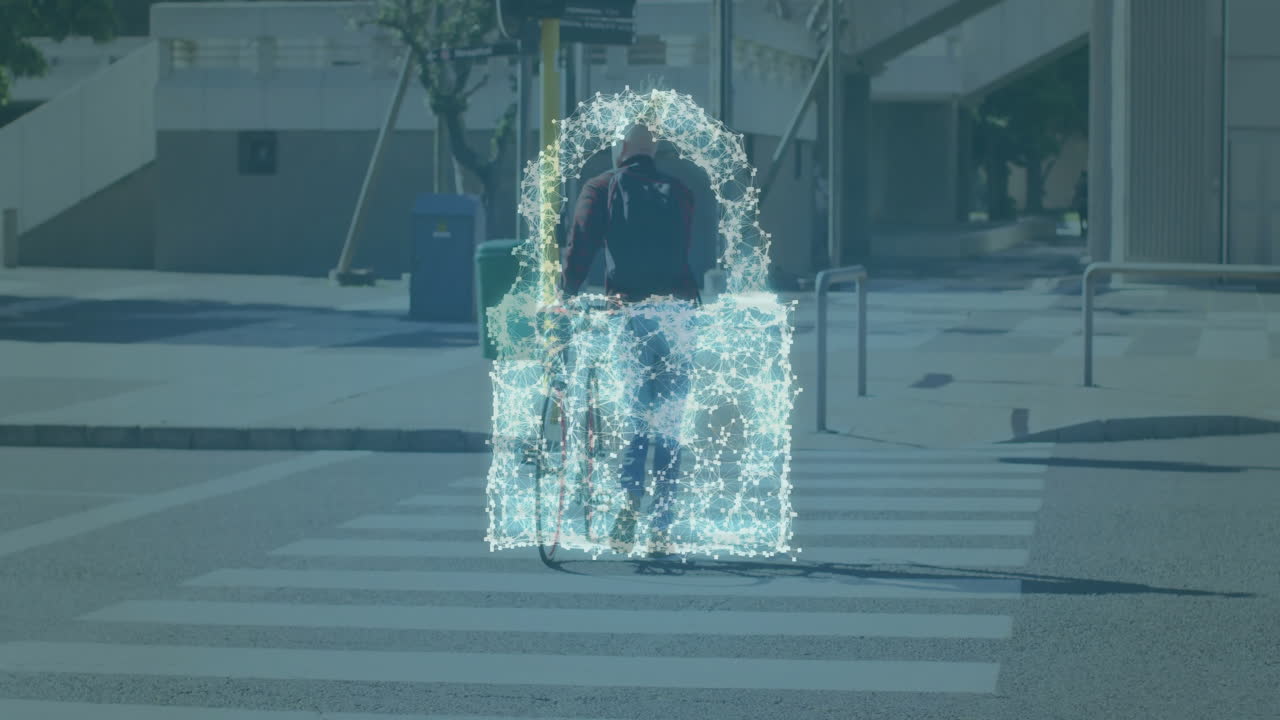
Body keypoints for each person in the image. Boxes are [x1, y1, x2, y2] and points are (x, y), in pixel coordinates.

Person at [561, 124, 697, 554]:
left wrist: (566, 293)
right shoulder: (680, 190)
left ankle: (629, 498)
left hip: (630, 312)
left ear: (619, 150)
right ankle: (662, 526)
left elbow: (582, 243)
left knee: (638, 415)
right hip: (678, 314)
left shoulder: (601, 186)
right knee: (671, 423)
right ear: (653, 150)